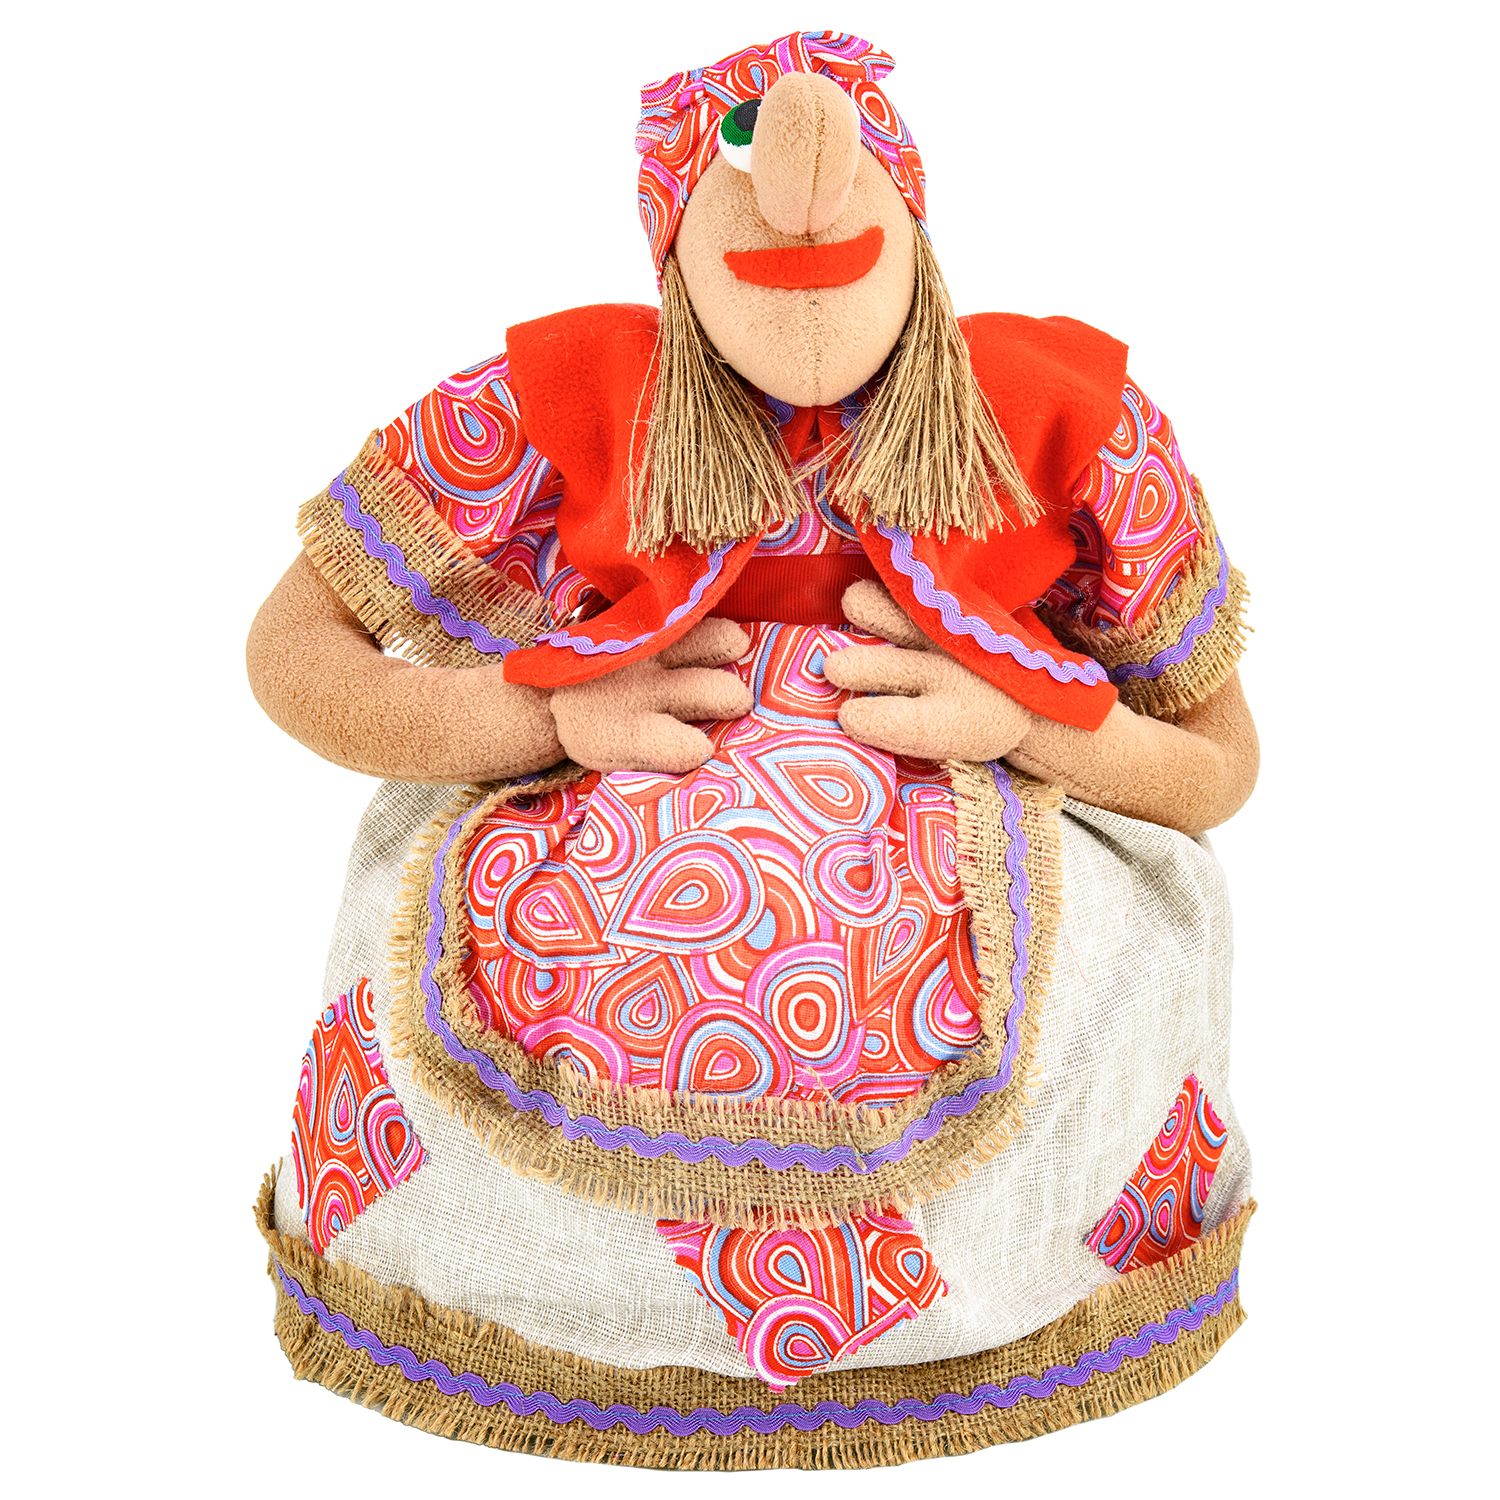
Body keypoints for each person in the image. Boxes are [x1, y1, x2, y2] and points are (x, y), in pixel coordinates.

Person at [247, 30, 1259, 1467]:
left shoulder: (1054, 423)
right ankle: (513, 1308)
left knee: (1077, 985)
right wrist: (540, 717)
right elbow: (291, 652)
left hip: (977, 826)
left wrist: (1032, 722)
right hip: (602, 811)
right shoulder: (560, 405)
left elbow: (1218, 761)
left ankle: (1001, 1302)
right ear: (675, 254)